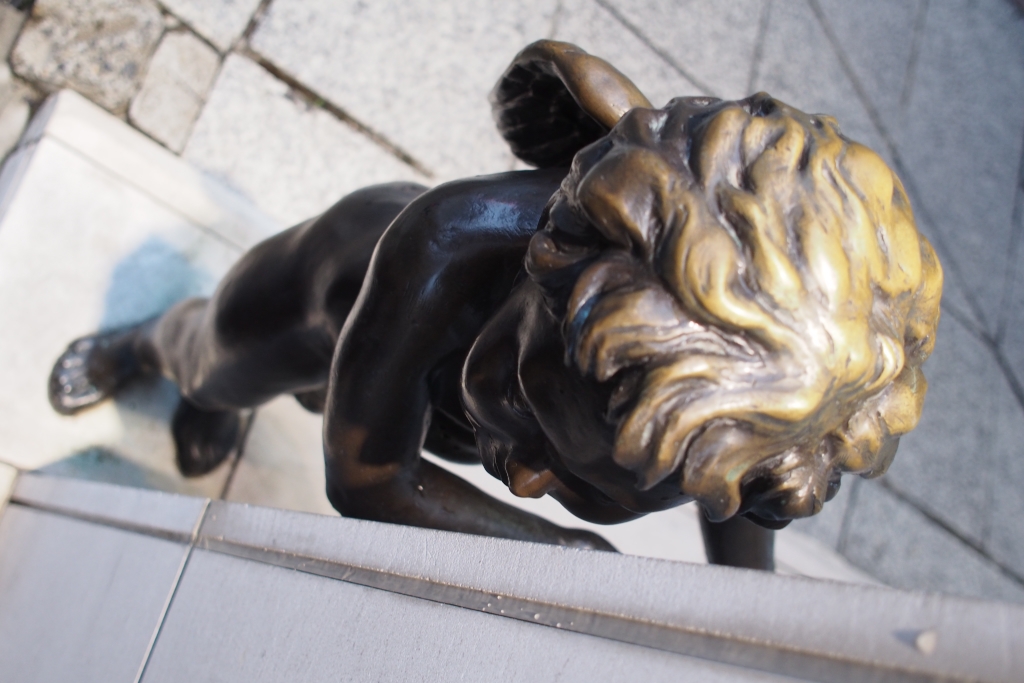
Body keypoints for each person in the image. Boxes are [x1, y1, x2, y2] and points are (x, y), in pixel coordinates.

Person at [48, 41, 942, 568]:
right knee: (216, 359)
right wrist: (574, 558)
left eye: (584, 490)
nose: (521, 484)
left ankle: (288, 391)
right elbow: (369, 478)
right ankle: (147, 347)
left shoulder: (736, 419)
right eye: (519, 391)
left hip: (427, 393)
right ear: (545, 261)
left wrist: (746, 602)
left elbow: (738, 497)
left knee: (354, 401)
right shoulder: (448, 239)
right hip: (323, 298)